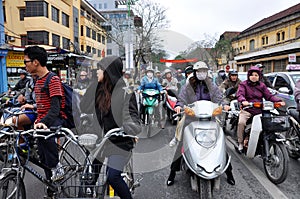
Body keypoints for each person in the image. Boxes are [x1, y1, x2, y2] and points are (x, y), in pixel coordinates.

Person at [80, 56, 140, 199]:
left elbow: (132, 117)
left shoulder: (126, 92)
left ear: (109, 71)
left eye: (100, 69)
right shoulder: (99, 90)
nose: (96, 72)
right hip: (100, 142)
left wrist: (129, 126)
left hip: (119, 142)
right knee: (87, 178)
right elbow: (85, 107)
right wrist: (94, 84)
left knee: (113, 176)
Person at [166, 61, 235, 186]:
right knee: (182, 143)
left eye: (204, 71)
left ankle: (229, 172)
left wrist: (225, 105)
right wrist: (178, 106)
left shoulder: (212, 85)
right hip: (192, 118)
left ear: (207, 72)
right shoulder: (188, 86)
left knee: (220, 143)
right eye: (199, 71)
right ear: (195, 73)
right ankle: (172, 173)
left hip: (210, 119)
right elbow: (181, 99)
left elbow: (219, 98)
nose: (201, 73)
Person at [24, 46, 65, 197]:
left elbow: (55, 109)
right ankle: (51, 185)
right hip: (41, 121)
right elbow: (41, 104)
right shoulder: (37, 80)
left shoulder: (52, 79)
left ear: (35, 62)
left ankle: (57, 166)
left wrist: (44, 123)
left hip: (53, 120)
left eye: (26, 61)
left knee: (49, 153)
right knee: (42, 157)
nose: (25, 65)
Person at [236, 66, 285, 153]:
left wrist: (279, 101)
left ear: (259, 76)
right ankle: (240, 142)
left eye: (256, 75)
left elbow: (269, 96)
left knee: (268, 123)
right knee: (241, 123)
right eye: (252, 75)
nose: (254, 77)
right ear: (249, 76)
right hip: (247, 110)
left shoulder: (262, 85)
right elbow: (240, 94)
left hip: (259, 110)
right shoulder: (243, 84)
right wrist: (243, 101)